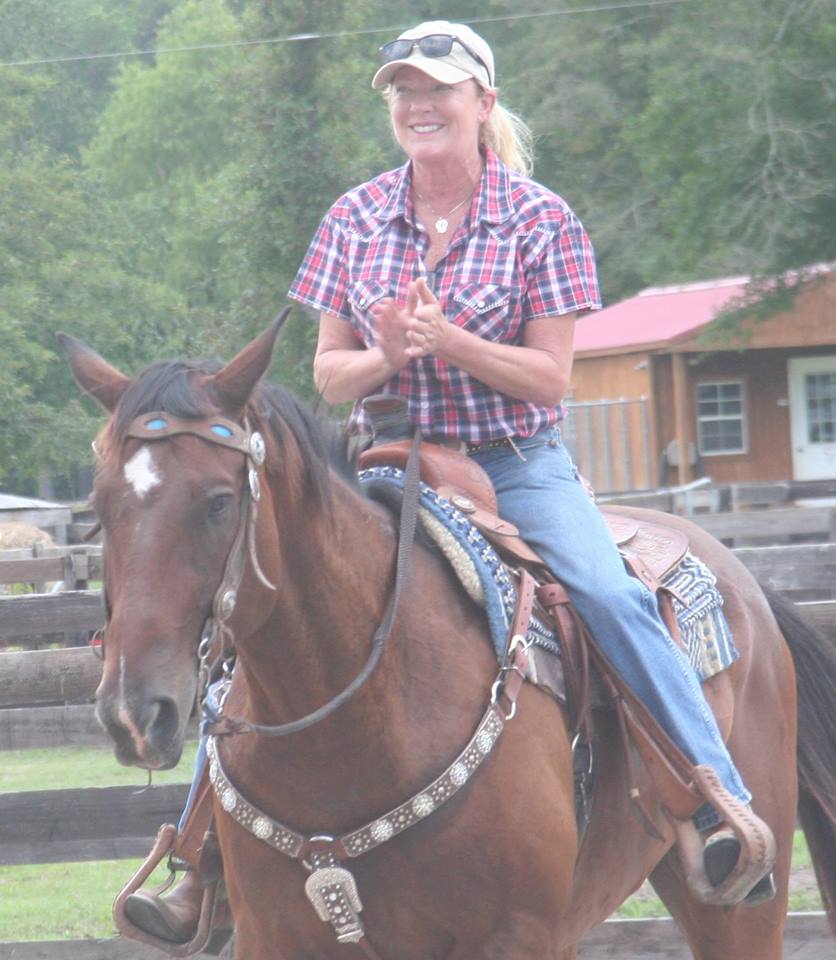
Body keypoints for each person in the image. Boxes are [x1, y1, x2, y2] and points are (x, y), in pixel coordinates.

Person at [125, 19, 774, 943]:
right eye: (404, 91)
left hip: (515, 463)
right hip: (376, 461)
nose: (419, 105)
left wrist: (452, 343)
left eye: (439, 89)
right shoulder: (354, 217)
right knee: (252, 612)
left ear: (484, 103)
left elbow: (551, 379)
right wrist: (385, 354)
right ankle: (198, 858)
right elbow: (329, 372)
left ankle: (713, 801)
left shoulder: (542, 219)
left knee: (606, 591)